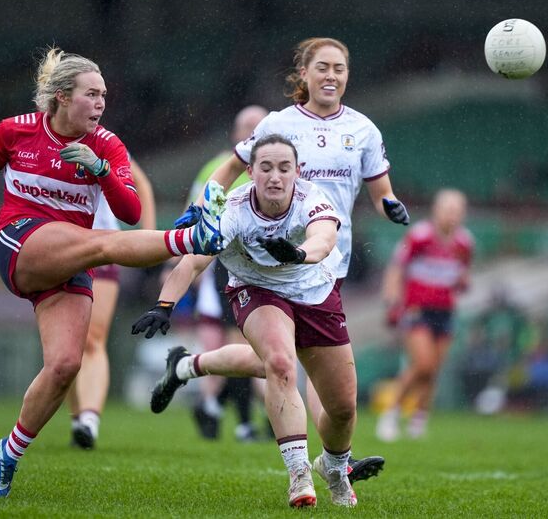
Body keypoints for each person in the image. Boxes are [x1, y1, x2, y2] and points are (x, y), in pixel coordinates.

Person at [0, 47, 227, 498]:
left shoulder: (106, 144)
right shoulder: (14, 131)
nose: (102, 104)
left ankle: (8, 453)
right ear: (63, 97)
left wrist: (103, 171)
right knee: (96, 245)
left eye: (104, 95)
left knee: (66, 364)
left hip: (69, 257)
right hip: (19, 242)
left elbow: (129, 209)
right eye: (93, 94)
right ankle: (190, 240)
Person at [173, 36, 408, 477]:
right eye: (322, 67)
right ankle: (332, 461)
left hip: (325, 261)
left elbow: (381, 192)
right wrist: (208, 207)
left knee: (289, 361)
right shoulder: (281, 125)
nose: (331, 76)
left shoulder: (363, 130)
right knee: (289, 360)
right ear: (304, 74)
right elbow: (231, 167)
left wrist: (390, 205)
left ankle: (189, 365)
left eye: (339, 68)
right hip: (265, 264)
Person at [134, 135, 357, 507]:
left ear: (297, 172)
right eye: (266, 167)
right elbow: (193, 260)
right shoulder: (232, 210)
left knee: (343, 406)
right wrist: (165, 305)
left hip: (315, 291)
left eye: (284, 168)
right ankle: (300, 473)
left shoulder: (311, 197)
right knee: (281, 363)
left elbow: (325, 239)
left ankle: (334, 468)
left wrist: (299, 253)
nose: (275, 176)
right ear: (250, 171)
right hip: (257, 291)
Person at [185, 105, 268, 441]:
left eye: (259, 126)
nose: (252, 132)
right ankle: (239, 419)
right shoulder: (217, 168)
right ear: (235, 134)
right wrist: (181, 267)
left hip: (266, 271)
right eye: (246, 126)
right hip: (226, 268)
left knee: (246, 350)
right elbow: (196, 214)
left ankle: (214, 408)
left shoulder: (277, 167)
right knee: (237, 347)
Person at [68, 156, 156, 450]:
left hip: (102, 245)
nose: (95, 108)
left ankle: (89, 421)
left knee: (93, 338)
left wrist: (149, 232)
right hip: (58, 249)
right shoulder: (37, 138)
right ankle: (77, 416)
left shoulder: (105, 143)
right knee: (66, 345)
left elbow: (140, 182)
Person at [377, 189, 473, 441]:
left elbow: (462, 274)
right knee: (423, 363)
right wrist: (391, 300)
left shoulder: (464, 243)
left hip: (445, 311)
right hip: (417, 309)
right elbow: (397, 268)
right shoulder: (420, 236)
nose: (452, 216)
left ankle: (419, 419)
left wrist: (462, 281)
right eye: (447, 210)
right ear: (436, 211)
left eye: (457, 211)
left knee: (433, 370)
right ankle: (392, 412)